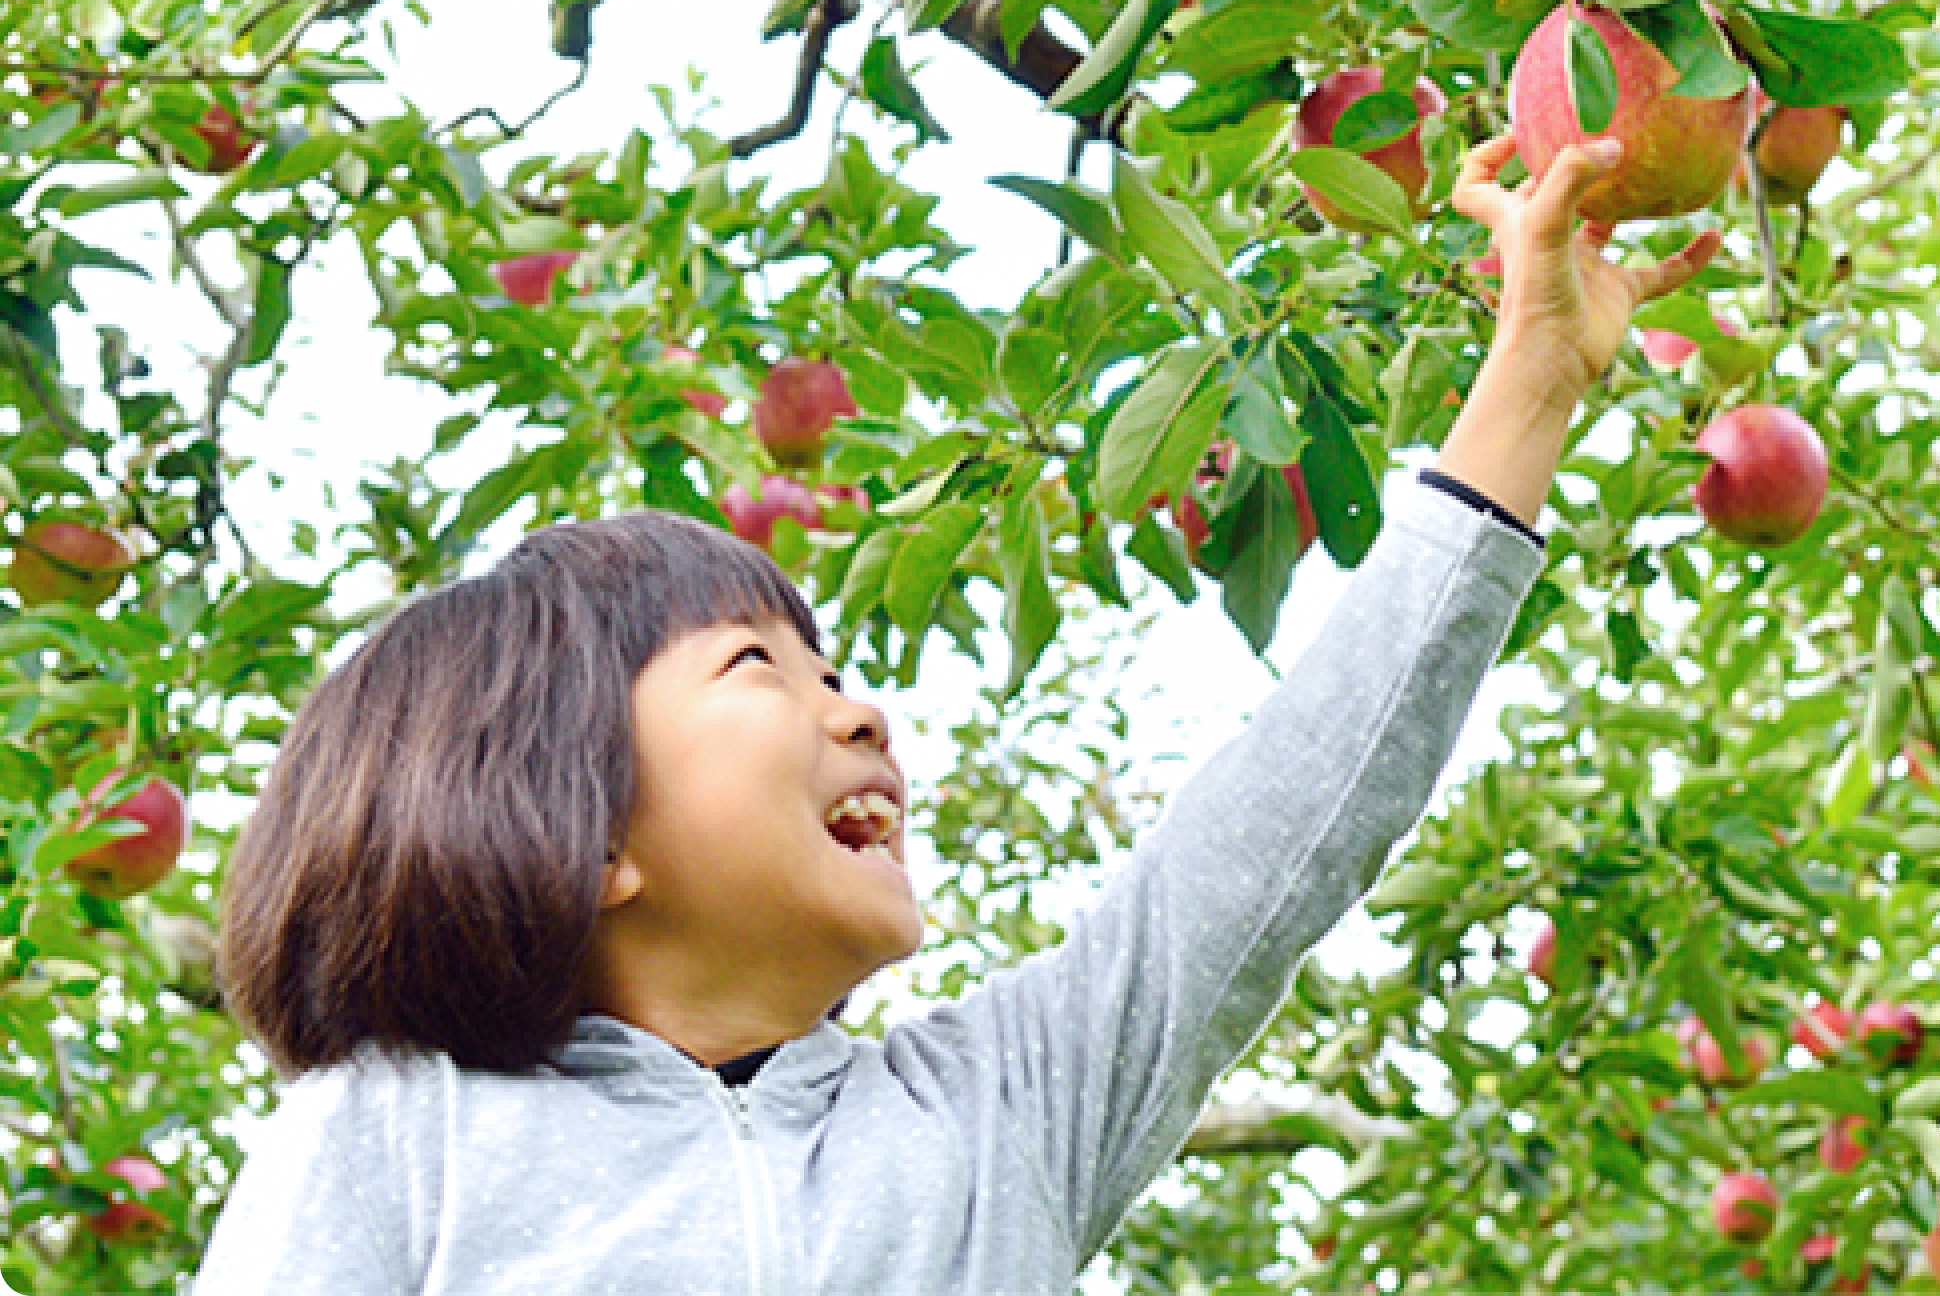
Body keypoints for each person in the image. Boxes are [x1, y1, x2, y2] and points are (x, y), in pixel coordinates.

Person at [192, 132, 1718, 1292]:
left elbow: (1286, 827)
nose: (861, 715)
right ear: (574, 826)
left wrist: (1528, 380)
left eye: (836, 666)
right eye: (757, 669)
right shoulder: (401, 1134)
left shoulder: (994, 1113)